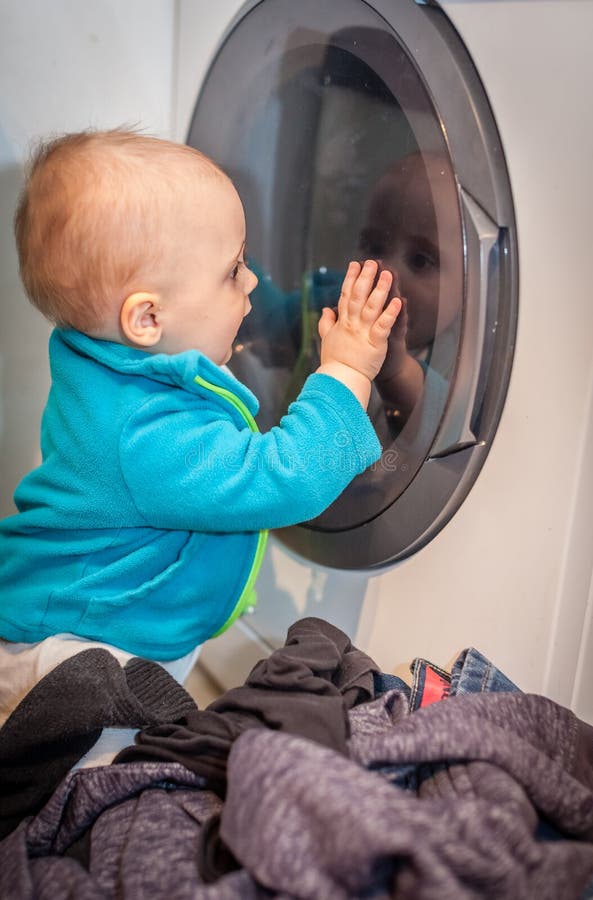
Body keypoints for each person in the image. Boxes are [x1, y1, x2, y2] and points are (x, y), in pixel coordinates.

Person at [0, 129, 401, 667]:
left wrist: (309, 305)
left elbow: (220, 326)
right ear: (147, 318)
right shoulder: (147, 431)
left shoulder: (109, 358)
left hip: (91, 626)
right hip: (75, 658)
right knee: (117, 757)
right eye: (233, 270)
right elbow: (281, 476)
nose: (252, 281)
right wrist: (348, 368)